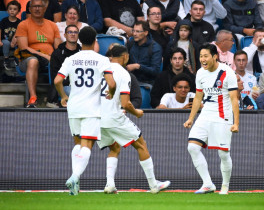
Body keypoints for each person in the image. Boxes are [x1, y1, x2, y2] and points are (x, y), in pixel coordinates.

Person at [98, 44, 171, 194]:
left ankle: (109, 184)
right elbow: (126, 103)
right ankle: (153, 185)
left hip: (98, 117)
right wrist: (136, 112)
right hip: (114, 117)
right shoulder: (123, 74)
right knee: (141, 144)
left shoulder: (102, 70)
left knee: (115, 147)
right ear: (125, 57)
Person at [54, 26, 116, 196]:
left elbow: (57, 80)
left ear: (80, 40)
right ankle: (74, 176)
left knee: (77, 144)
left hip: (74, 106)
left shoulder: (71, 59)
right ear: (95, 40)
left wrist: (63, 97)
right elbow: (111, 84)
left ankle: (75, 186)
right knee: (87, 144)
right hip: (91, 108)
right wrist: (110, 94)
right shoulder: (102, 59)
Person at [183, 43, 239, 195]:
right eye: (201, 56)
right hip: (205, 115)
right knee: (192, 147)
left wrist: (236, 123)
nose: (202, 59)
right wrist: (191, 118)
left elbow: (234, 99)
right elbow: (198, 97)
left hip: (222, 116)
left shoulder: (227, 73)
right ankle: (208, 184)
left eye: (205, 56)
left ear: (215, 56)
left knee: (223, 154)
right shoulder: (200, 73)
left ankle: (225, 186)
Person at [15, 0, 62, 108]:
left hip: (49, 59)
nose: (37, 9)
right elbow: (23, 48)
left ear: (44, 8)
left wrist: (53, 57)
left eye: (39, 6)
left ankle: (54, 99)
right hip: (27, 59)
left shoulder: (52, 25)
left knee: (59, 61)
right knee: (33, 61)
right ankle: (33, 98)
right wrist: (44, 55)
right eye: (34, 6)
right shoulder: (23, 25)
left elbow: (58, 47)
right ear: (30, 9)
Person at [47, 24, 81, 108]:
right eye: (70, 32)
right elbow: (55, 77)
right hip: (65, 86)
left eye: (75, 32)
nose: (73, 34)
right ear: (65, 35)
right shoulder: (57, 54)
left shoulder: (82, 52)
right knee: (75, 93)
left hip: (81, 85)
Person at [126, 21, 162, 88]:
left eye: (138, 31)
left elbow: (155, 71)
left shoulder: (155, 47)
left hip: (148, 82)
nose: (134, 34)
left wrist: (138, 66)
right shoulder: (131, 43)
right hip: (131, 81)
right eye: (133, 31)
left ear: (146, 33)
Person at [105, 43, 142, 108]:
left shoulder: (129, 76)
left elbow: (137, 100)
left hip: (120, 114)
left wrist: (123, 109)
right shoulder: (99, 74)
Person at [0, 0, 22, 70]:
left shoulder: (19, 22)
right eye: (10, 9)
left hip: (15, 41)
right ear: (7, 10)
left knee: (21, 43)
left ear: (18, 11)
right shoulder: (4, 20)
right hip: (5, 40)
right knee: (6, 43)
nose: (12, 11)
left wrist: (15, 42)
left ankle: (16, 58)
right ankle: (6, 59)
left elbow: (19, 33)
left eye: (15, 9)